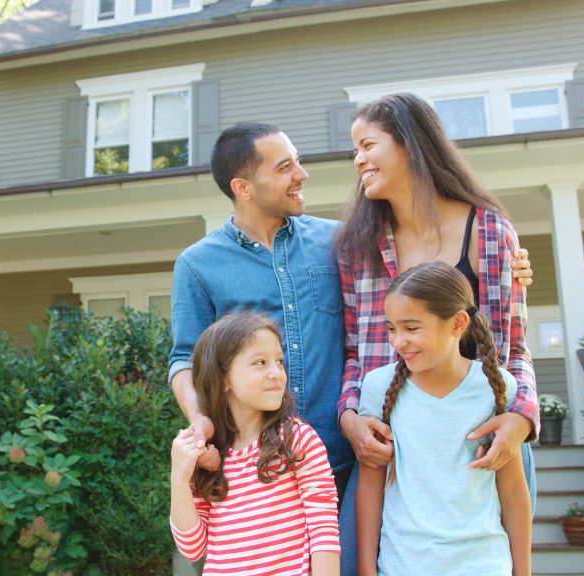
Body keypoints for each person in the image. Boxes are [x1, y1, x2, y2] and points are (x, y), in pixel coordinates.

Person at [169, 122, 531, 574]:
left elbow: (415, 281)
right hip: (250, 471)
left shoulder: (342, 240)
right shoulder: (198, 265)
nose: (302, 174)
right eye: (285, 167)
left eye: (297, 160)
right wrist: (203, 424)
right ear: (243, 187)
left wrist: (508, 263)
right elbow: (185, 358)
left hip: (342, 451)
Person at [335, 94, 539, 510]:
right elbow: (356, 353)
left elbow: (513, 348)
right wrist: (350, 418)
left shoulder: (489, 232)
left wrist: (522, 417)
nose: (358, 160)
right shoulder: (358, 248)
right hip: (395, 455)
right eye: (355, 150)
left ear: (409, 142)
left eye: (367, 145)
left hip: (480, 451)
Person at [356, 262, 531, 576]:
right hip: (403, 566)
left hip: (483, 565)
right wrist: (366, 570)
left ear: (457, 323)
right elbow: (370, 487)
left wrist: (524, 571)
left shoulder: (496, 386)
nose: (398, 341)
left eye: (411, 328)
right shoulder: (377, 387)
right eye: (392, 328)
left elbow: (513, 490)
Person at [170, 312, 340, 575]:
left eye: (279, 361)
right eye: (260, 362)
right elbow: (193, 548)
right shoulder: (209, 456)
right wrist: (180, 477)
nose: (277, 373)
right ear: (223, 378)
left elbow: (324, 530)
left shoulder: (297, 439)